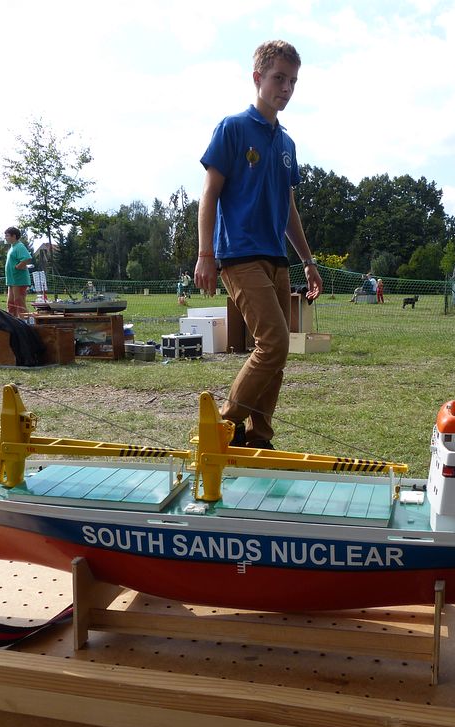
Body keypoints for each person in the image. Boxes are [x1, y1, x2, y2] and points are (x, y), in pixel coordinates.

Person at [194, 39, 323, 450]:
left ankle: (258, 439)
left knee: (275, 354)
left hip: (276, 259)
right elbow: (209, 193)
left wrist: (308, 261)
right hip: (239, 255)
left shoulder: (286, 144)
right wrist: (205, 254)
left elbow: (288, 208)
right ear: (257, 78)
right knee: (275, 343)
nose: (286, 88)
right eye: (279, 78)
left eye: (293, 81)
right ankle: (222, 427)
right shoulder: (233, 129)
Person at [3, 226, 33, 316]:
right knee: (11, 304)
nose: (5, 238)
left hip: (19, 280)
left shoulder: (19, 246)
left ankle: (25, 322)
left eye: (7, 235)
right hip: (12, 280)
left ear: (14, 236)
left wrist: (18, 267)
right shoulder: (12, 247)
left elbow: (27, 258)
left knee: (19, 304)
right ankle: (12, 322)